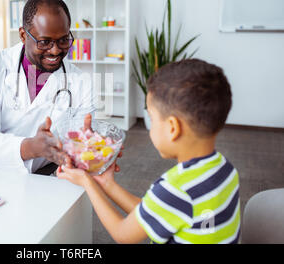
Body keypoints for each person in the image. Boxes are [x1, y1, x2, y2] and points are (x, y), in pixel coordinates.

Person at [58, 59, 241, 244]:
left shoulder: (175, 188)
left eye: (152, 119)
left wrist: (88, 184)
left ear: (172, 128)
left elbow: (123, 234)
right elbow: (157, 214)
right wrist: (106, 184)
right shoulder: (226, 170)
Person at [0, 0, 95, 174]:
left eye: (63, 40)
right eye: (44, 42)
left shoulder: (81, 82)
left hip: (35, 181)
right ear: (23, 35)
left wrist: (95, 151)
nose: (55, 50)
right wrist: (31, 147)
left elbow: (81, 143)